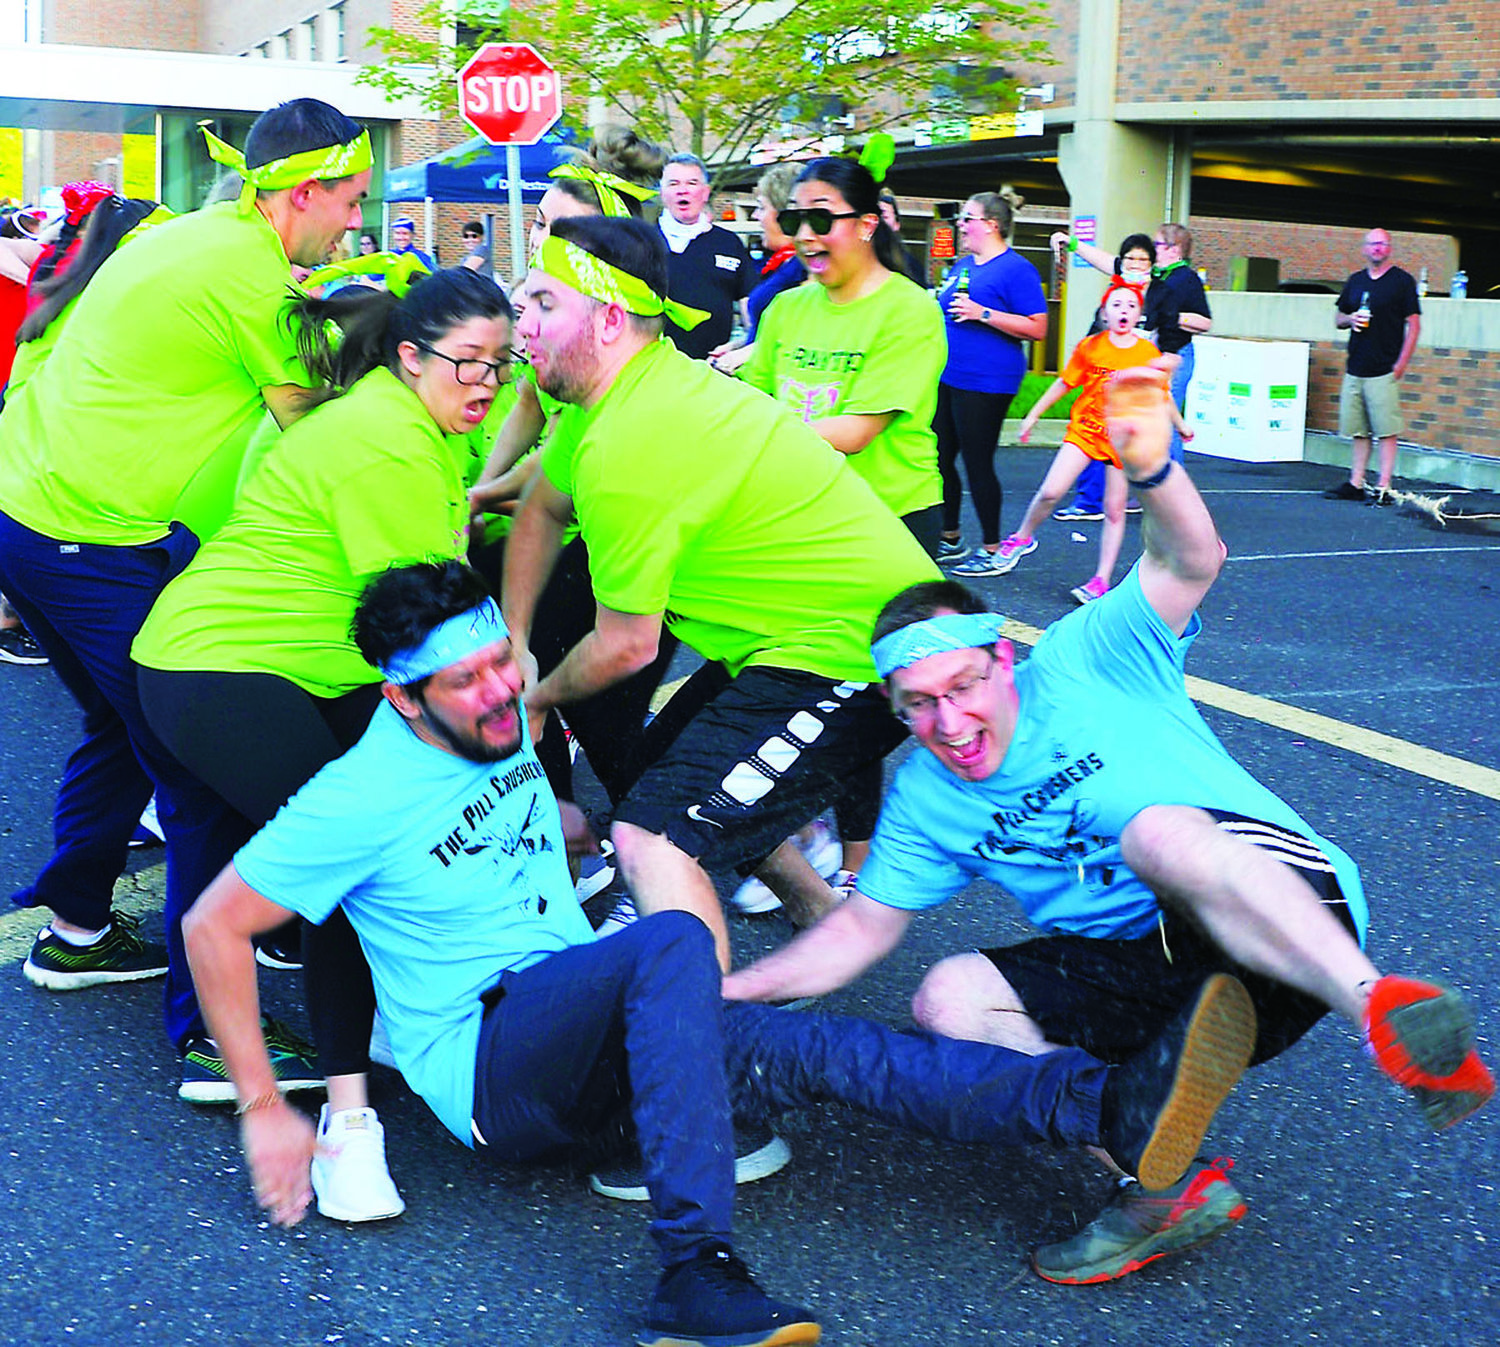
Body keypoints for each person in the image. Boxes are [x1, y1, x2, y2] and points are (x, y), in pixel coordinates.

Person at [182, 558, 1259, 1346]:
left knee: (822, 1051)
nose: (500, 689)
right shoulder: (353, 798)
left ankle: (1106, 1110)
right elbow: (211, 926)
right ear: (400, 698)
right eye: (463, 684)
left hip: (581, 1030)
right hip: (496, 1071)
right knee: (663, 946)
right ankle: (693, 1273)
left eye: (498, 661)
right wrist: (274, 1108)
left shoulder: (505, 721)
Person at [723, 366, 1494, 1286]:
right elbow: (858, 928)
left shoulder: (1089, 659)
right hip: (1154, 977)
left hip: (1281, 920)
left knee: (1156, 832)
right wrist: (729, 992)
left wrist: (1157, 468)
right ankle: (1155, 1174)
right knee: (950, 1000)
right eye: (919, 706)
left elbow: (1190, 561)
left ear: (1002, 659)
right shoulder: (930, 796)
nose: (951, 723)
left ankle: (1381, 1012)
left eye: (964, 685)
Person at [130, 268, 510, 1217]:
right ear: (411, 356)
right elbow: (436, 630)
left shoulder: (403, 421)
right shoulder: (385, 445)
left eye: (502, 368)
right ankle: (349, 1130)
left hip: (295, 662)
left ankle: (385, 1017)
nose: (486, 385)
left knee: (368, 833)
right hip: (222, 669)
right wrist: (521, 729)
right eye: (468, 364)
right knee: (356, 862)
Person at [0, 99, 371, 1067]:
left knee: (122, 727)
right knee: (198, 767)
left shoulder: (197, 232)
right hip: (87, 538)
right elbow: (321, 433)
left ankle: (79, 929)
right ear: (299, 195)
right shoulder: (249, 275)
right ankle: (209, 1029)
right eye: (351, 202)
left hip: (27, 519)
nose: (356, 226)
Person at [503, 215, 942, 965]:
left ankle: (689, 1035)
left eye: (544, 302)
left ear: (608, 320)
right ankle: (821, 922)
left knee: (655, 832)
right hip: (789, 643)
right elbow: (544, 502)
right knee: (664, 782)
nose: (521, 316)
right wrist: (515, 641)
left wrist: (536, 701)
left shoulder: (633, 436)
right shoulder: (612, 398)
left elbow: (626, 645)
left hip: (865, 653)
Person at [1003, 278, 1190, 605]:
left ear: (1139, 315)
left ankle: (1100, 580)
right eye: (1117, 305)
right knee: (1051, 491)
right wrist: (1033, 415)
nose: (1124, 311)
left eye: (1131, 306)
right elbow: (1063, 383)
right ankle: (1021, 537)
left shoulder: (1147, 353)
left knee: (1114, 510)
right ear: (1105, 311)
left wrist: (1181, 426)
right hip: (1086, 431)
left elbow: (1161, 395)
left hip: (1122, 439)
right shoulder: (1091, 346)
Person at [933, 191, 1048, 575]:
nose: (961, 225)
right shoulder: (964, 265)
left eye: (968, 218)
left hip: (987, 379)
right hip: (949, 374)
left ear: (991, 225)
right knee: (938, 456)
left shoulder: (1016, 269)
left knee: (976, 461)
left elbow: (1037, 326)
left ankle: (993, 548)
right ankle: (950, 537)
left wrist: (983, 313)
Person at [1047, 231, 1156, 524]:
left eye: (1142, 259)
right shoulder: (1121, 278)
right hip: (1102, 369)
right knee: (1094, 429)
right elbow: (1097, 257)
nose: (1134, 264)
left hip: (1132, 374)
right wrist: (1067, 241)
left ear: (1151, 263)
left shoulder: (1157, 288)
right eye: (1130, 258)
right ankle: (1091, 500)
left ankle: (1133, 499)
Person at [1325, 228, 1421, 502]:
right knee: (1358, 430)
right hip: (1356, 366)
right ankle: (1356, 483)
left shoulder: (1402, 282)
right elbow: (1338, 318)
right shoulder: (1355, 281)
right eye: (1373, 244)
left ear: (1389, 248)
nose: (1377, 248)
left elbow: (1414, 326)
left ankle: (1383, 487)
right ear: (1364, 249)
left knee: (1386, 431)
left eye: (1382, 244)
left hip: (1384, 368)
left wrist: (1400, 365)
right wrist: (1350, 318)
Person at [704, 160, 806, 374]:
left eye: (761, 207)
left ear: (784, 214)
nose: (755, 216)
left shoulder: (806, 269)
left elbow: (804, 332)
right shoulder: (783, 264)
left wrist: (745, 354)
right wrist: (737, 345)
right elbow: (766, 331)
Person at [657, 153, 754, 360]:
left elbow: (750, 309)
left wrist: (744, 345)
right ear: (662, 192)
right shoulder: (641, 240)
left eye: (692, 183)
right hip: (651, 369)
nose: (683, 190)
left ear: (705, 193)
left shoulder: (729, 243)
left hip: (713, 369)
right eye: (673, 183)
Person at [1145, 223, 1211, 462]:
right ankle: (1155, 488)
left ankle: (1172, 488)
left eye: (1157, 245)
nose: (1152, 251)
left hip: (1176, 354)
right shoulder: (1157, 276)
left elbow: (1205, 321)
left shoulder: (1186, 279)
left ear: (1175, 249)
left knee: (1166, 420)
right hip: (1154, 353)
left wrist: (1170, 315)